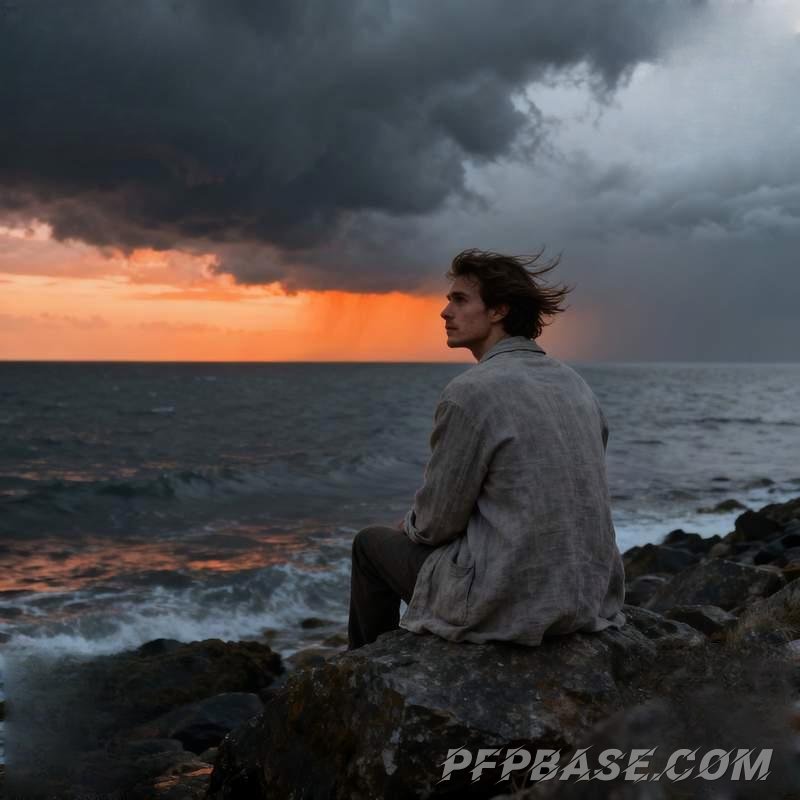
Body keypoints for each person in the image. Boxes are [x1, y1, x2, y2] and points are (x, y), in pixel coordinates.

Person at [347, 248, 626, 650]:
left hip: (507, 603)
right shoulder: (576, 385)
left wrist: (407, 526)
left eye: (459, 300)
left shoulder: (470, 392)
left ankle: (367, 673)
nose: (445, 312)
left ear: (498, 311)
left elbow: (436, 523)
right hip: (590, 596)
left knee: (370, 545)